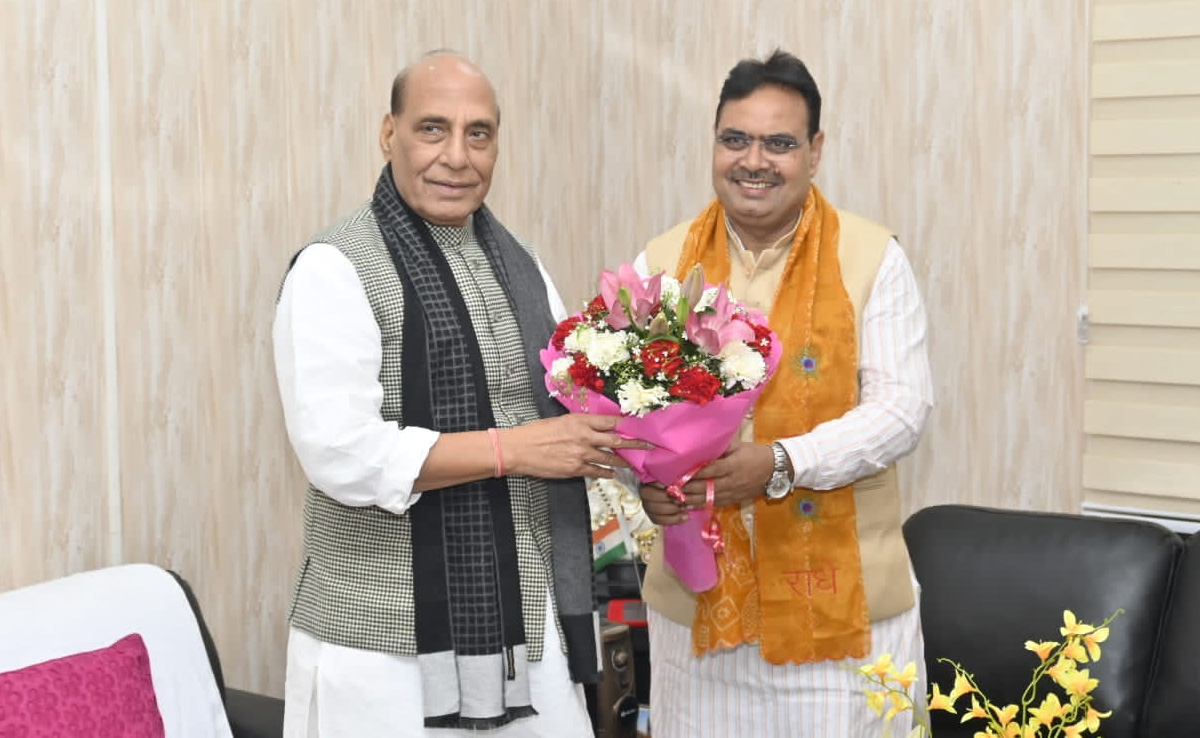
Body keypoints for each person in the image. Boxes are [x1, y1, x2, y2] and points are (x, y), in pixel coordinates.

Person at [272, 51, 649, 737]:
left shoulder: (520, 262)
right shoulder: (334, 267)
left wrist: (650, 471)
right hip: (384, 647)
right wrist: (514, 450)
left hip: (524, 628)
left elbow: (567, 413)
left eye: (478, 133)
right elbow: (341, 454)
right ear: (389, 133)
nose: (456, 156)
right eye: (432, 129)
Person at [632, 49, 934, 737]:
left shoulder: (871, 258)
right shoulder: (662, 261)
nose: (754, 161)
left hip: (840, 618)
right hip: (698, 615)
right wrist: (644, 482)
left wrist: (781, 463)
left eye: (779, 143)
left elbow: (901, 409)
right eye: (735, 139)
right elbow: (627, 410)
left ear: (815, 151)